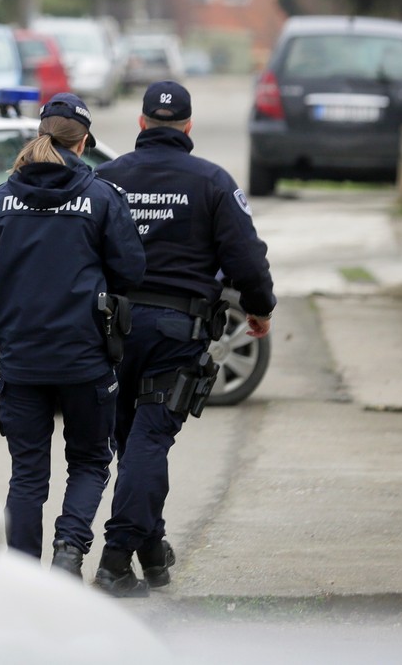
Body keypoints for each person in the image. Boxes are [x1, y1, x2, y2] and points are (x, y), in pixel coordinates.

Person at [92, 80, 275, 596]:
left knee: (132, 441)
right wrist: (259, 309)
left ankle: (152, 552)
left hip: (111, 331)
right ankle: (113, 560)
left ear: (142, 124)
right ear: (188, 127)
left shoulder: (107, 179)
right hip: (176, 331)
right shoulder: (212, 182)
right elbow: (246, 259)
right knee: (148, 441)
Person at [0, 93, 145, 577]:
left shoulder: (3, 199)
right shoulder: (102, 196)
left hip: (21, 359)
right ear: (82, 141)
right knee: (88, 460)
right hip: (85, 357)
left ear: (40, 135)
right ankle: (69, 549)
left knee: (27, 474)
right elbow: (131, 270)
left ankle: (24, 575)